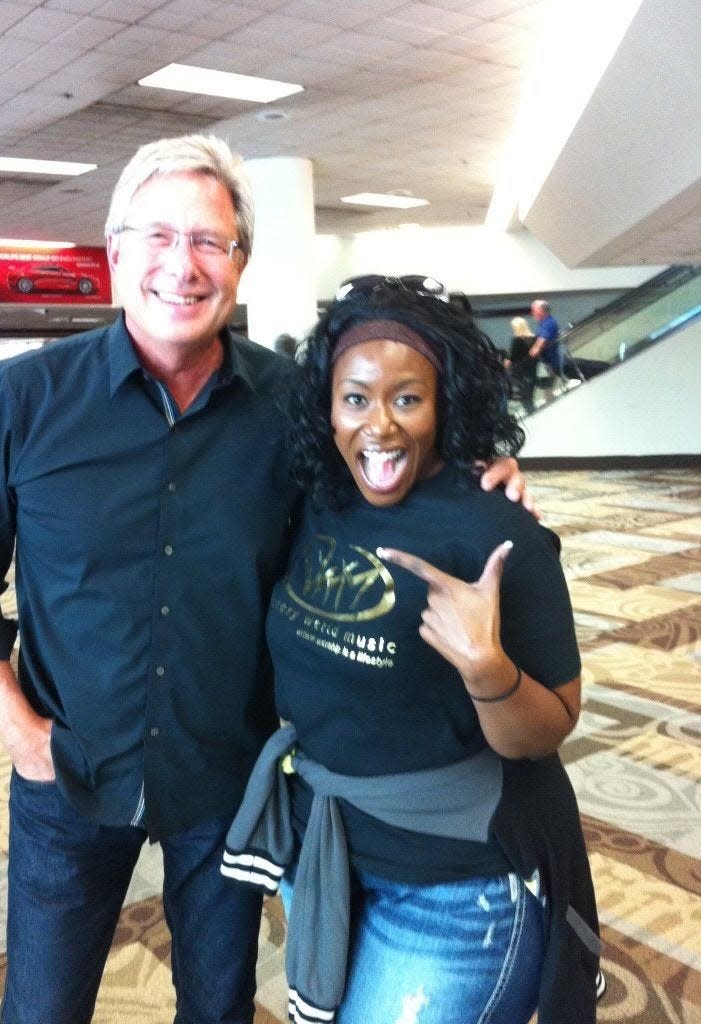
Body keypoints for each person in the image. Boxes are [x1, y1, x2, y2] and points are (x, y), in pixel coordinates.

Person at [0, 137, 532, 1024]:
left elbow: (380, 482)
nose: (183, 265)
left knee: (216, 1008)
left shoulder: (290, 402)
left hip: (229, 780)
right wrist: (17, 729)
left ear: (241, 262)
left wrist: (479, 482)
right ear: (117, 254)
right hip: (68, 772)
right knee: (42, 1008)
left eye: (211, 242)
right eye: (159, 237)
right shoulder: (27, 397)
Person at [223, 278, 601, 1024]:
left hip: (458, 888)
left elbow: (548, 727)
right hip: (329, 851)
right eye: (356, 399)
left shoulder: (497, 534)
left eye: (407, 399)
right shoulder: (316, 499)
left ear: (444, 404)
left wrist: (486, 671)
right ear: (326, 406)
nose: (380, 428)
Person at [504, 315, 538, 413]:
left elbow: (511, 358)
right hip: (531, 371)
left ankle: (531, 413)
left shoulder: (517, 340)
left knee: (523, 396)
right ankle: (533, 412)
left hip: (518, 372)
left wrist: (502, 368)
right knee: (528, 395)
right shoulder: (534, 338)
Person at [529, 298, 564, 378]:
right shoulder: (543, 324)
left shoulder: (548, 323)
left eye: (534, 310)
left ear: (542, 311)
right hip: (554, 364)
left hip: (559, 362)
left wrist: (534, 349)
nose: (532, 313)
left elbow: (537, 348)